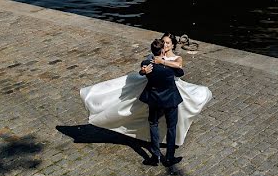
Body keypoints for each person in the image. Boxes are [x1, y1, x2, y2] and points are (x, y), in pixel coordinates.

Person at [79, 34, 213, 158]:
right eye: (163, 42)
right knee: (152, 120)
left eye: (167, 43)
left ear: (172, 45)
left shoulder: (177, 58)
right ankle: (160, 151)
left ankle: (163, 151)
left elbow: (179, 66)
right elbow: (144, 67)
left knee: (172, 121)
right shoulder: (152, 57)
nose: (165, 45)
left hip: (171, 91)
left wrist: (162, 62)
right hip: (156, 92)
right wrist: (143, 71)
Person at [139, 38, 183, 166]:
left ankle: (155, 156)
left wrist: (143, 71)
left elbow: (142, 71)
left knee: (153, 124)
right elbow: (180, 72)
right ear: (163, 51)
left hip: (154, 100)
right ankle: (169, 157)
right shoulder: (171, 68)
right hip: (170, 100)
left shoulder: (147, 63)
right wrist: (166, 62)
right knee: (171, 127)